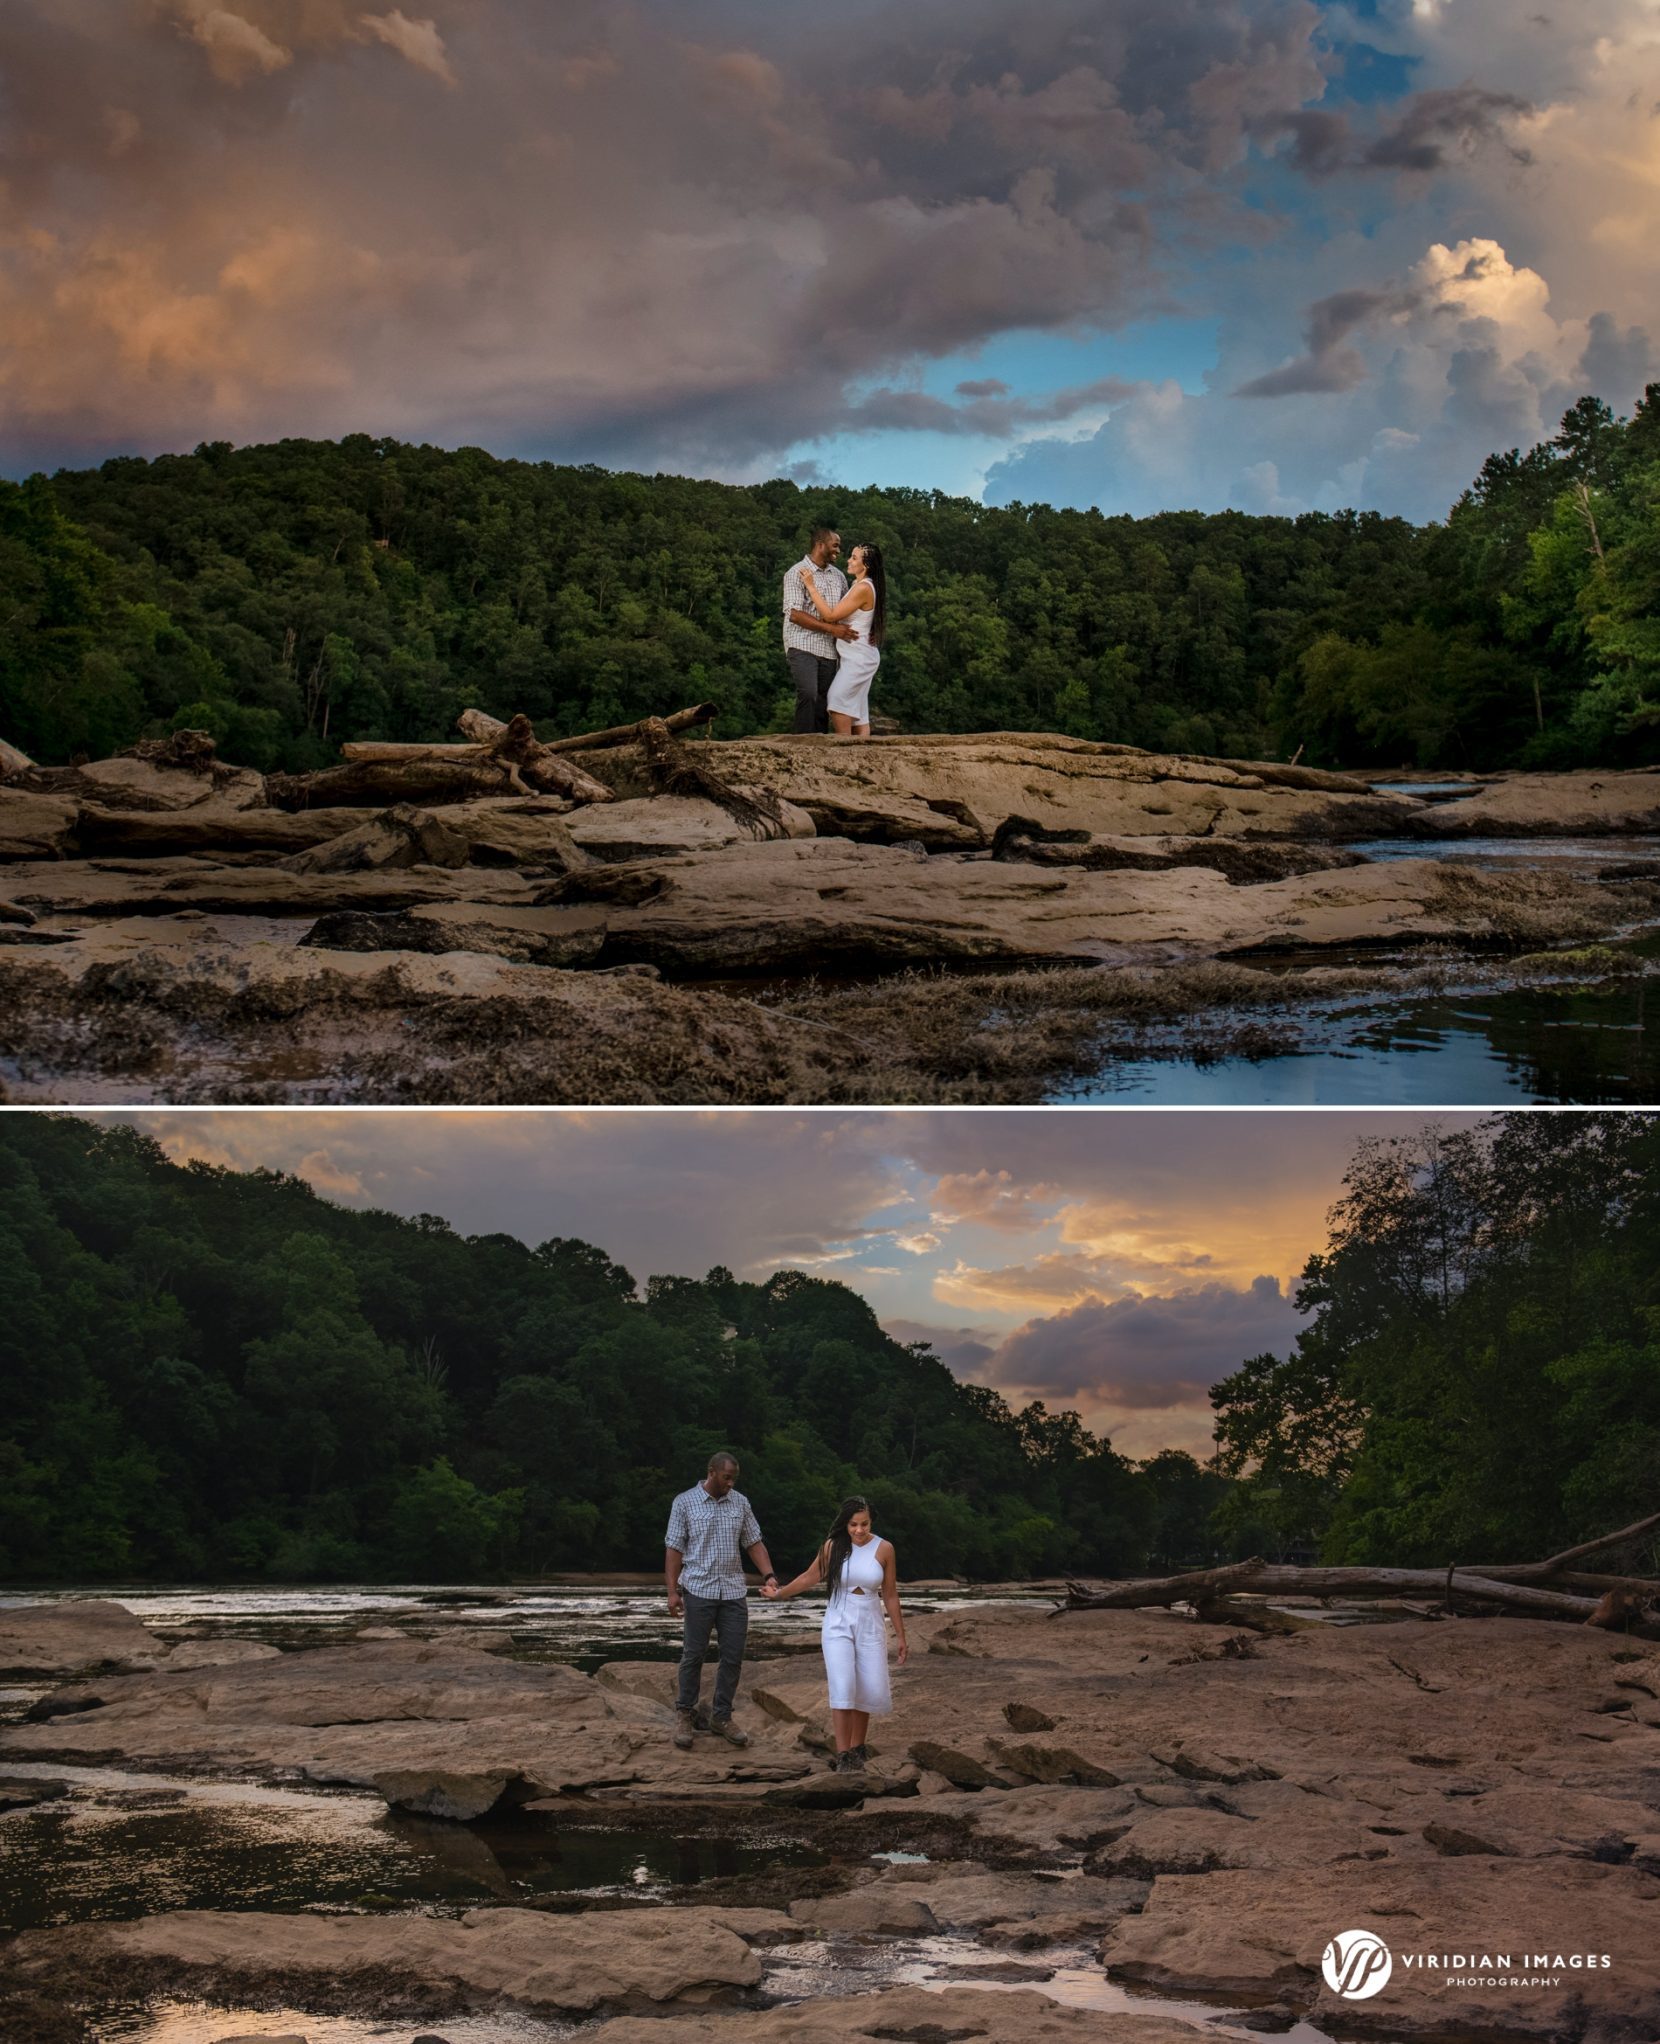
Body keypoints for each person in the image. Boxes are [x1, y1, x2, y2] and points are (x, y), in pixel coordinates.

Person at [763, 1495, 907, 1771]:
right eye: (853, 1524)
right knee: (843, 1684)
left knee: (867, 1684)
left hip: (870, 1619)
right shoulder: (833, 1546)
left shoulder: (885, 1548)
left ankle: (857, 1748)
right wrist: (780, 1594)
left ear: (871, 1522)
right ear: (845, 1523)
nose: (859, 1531)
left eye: (864, 1524)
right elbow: (810, 1576)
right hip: (839, 1618)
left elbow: (890, 1594)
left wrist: (901, 1636)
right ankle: (843, 1755)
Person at [664, 1452, 778, 1750]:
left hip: (733, 1592)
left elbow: (753, 1542)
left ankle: (722, 1717)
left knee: (732, 1657)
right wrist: (672, 1591)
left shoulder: (740, 1502)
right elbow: (674, 1549)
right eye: (726, 1477)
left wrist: (768, 1574)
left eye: (734, 1479)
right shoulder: (684, 1502)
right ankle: (685, 1715)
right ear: (711, 1472)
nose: (730, 1483)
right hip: (698, 1590)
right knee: (693, 1654)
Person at [798, 541, 885, 738]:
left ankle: (845, 753)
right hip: (857, 656)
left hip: (859, 658)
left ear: (867, 565)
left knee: (837, 700)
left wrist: (811, 587)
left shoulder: (863, 588)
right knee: (858, 715)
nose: (849, 560)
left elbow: (830, 616)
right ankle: (863, 756)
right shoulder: (858, 585)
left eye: (854, 558)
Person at [781, 526, 853, 733]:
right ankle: (802, 742)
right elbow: (794, 614)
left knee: (824, 701)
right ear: (820, 545)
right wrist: (831, 629)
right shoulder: (795, 573)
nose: (839, 550)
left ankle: (820, 747)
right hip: (801, 643)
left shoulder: (838, 577)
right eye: (835, 545)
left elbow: (845, 611)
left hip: (829, 650)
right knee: (809, 693)